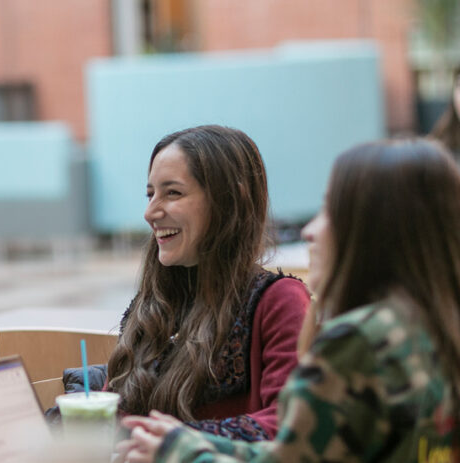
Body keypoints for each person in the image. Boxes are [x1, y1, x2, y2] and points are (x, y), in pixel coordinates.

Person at [118, 138, 460, 462]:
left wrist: (181, 451)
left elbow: (289, 450)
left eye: (330, 210)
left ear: (376, 229)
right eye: (150, 194)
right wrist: (182, 442)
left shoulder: (361, 338)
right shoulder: (433, 328)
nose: (311, 229)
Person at [68, 125, 311, 441]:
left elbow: (291, 423)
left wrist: (172, 441)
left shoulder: (279, 300)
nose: (150, 211)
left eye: (173, 193)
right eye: (150, 193)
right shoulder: (153, 303)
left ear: (231, 200)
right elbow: (113, 410)